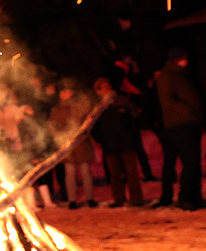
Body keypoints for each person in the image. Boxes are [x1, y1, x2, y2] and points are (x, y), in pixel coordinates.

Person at [154, 47, 206, 210]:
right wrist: (190, 110)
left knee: (194, 163)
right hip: (180, 125)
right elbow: (169, 100)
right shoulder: (168, 76)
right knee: (190, 162)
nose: (186, 60)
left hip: (189, 123)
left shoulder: (181, 74)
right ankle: (186, 198)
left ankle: (195, 197)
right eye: (183, 57)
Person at [90, 77, 145, 207]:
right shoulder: (97, 107)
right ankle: (119, 199)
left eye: (107, 85)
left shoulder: (122, 101)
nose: (106, 88)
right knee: (114, 175)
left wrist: (131, 136)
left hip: (126, 143)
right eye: (102, 87)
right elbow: (93, 126)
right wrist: (99, 140)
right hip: (109, 145)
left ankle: (136, 198)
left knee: (131, 172)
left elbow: (133, 119)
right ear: (98, 91)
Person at [48, 78, 98, 209]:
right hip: (67, 146)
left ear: (71, 92)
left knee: (85, 171)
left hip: (81, 144)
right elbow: (53, 126)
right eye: (62, 92)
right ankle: (72, 199)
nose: (64, 94)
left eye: (66, 91)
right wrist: (60, 138)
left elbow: (88, 122)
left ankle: (90, 198)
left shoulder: (79, 106)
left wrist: (84, 135)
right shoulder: (57, 109)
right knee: (69, 173)